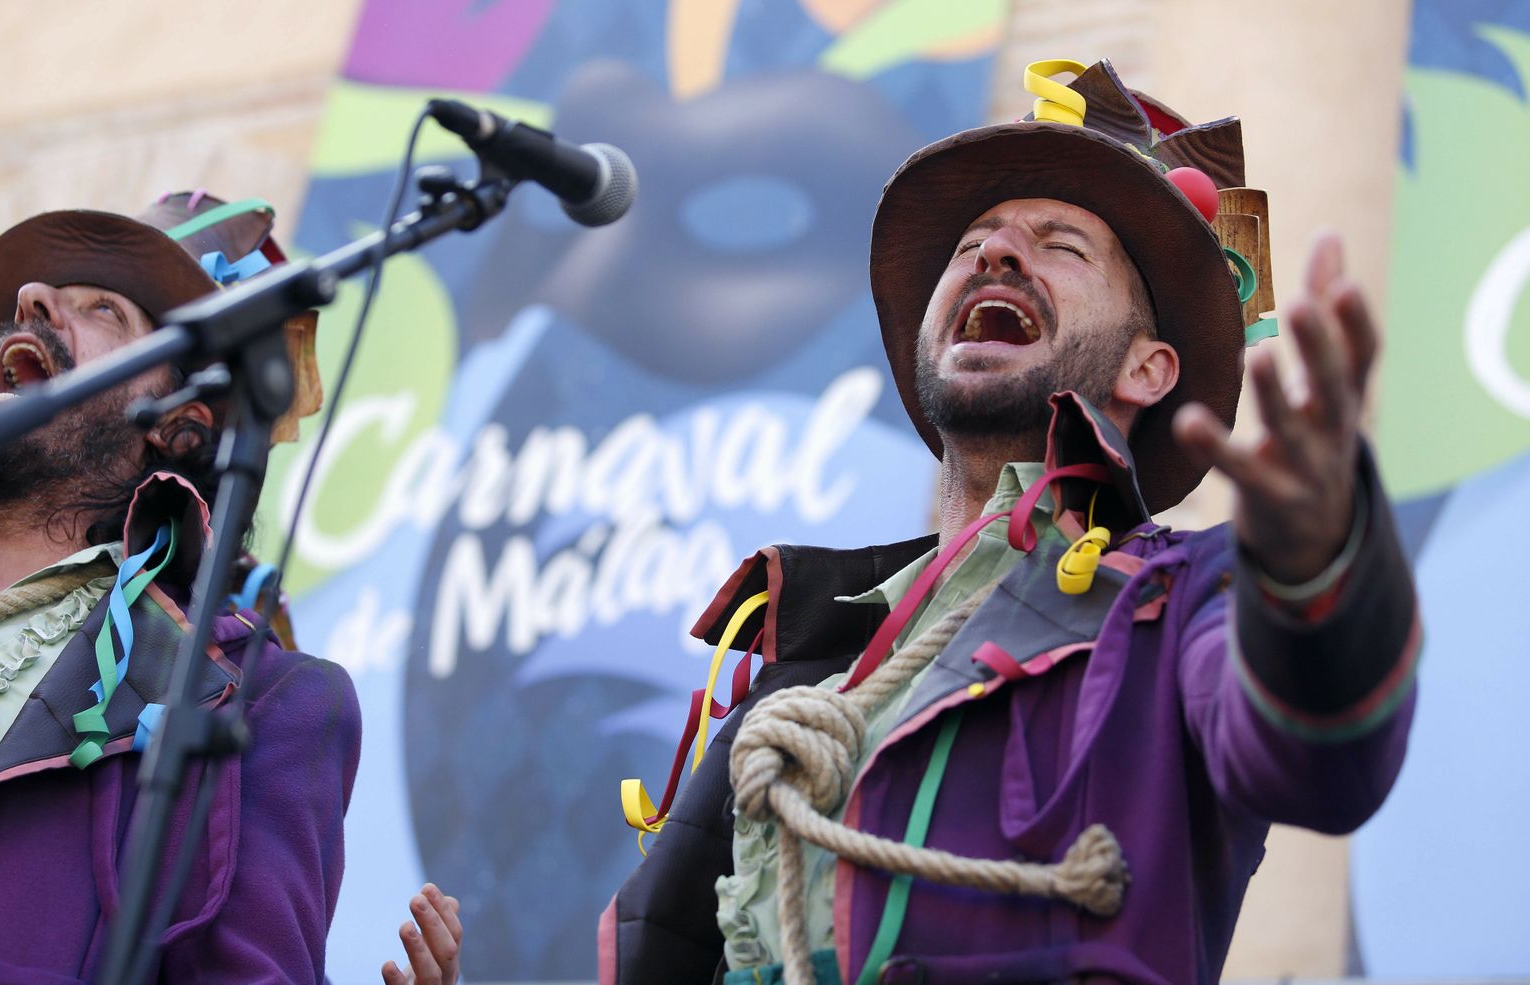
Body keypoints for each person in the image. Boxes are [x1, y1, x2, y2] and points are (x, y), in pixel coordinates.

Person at [601, 59, 1418, 985]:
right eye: (973, 244)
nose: (994, 254)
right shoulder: (807, 666)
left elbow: (1321, 755)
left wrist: (1318, 577)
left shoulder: (1183, 602)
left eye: (1062, 245)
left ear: (1149, 370)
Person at [0, 192, 461, 983]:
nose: (31, 301)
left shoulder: (263, 702)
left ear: (178, 426)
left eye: (103, 308)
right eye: (38, 298)